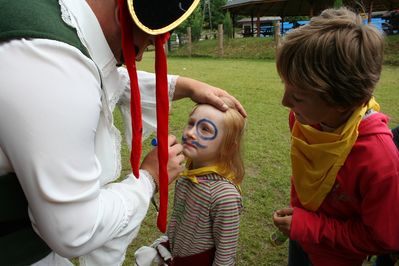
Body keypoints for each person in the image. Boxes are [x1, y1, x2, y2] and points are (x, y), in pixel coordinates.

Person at [0, 0, 246, 265]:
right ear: (121, 14)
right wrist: (149, 178)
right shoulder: (53, 65)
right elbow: (74, 230)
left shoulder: (55, 19)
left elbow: (104, 74)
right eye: (144, 45)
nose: (138, 57)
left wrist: (183, 86)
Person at [272, 7, 399, 266]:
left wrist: (309, 226)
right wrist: (301, 224)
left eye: (297, 97)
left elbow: (384, 238)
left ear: (343, 102)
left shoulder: (380, 160)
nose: (285, 102)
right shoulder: (302, 119)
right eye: (286, 87)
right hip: (300, 234)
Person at [135, 97, 246, 266]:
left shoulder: (225, 196)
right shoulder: (187, 175)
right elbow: (179, 221)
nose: (190, 133)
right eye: (191, 123)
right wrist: (166, 242)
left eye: (205, 129)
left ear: (228, 146)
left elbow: (225, 255)